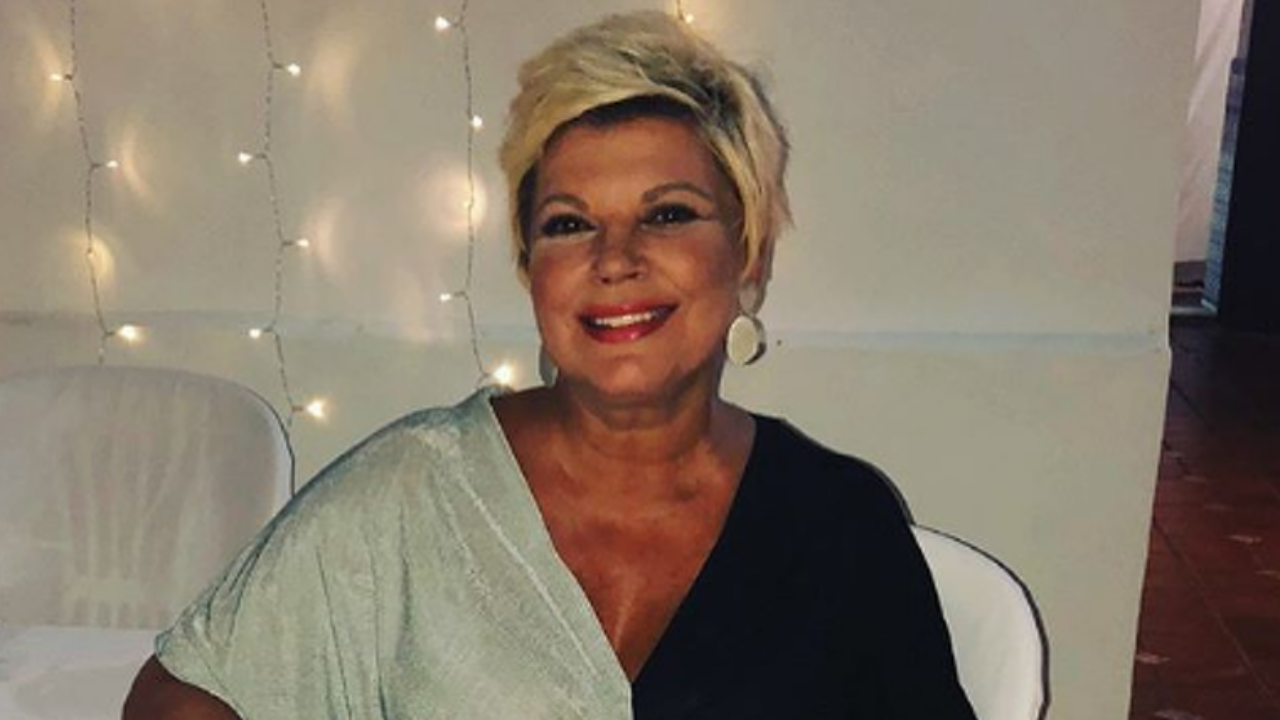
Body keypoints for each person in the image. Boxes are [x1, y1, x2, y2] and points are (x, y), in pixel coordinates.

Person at [124, 10, 976, 720]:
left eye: (668, 214)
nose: (616, 258)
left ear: (747, 254)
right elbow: (180, 695)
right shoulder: (415, 495)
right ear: (532, 270)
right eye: (570, 224)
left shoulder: (838, 525)